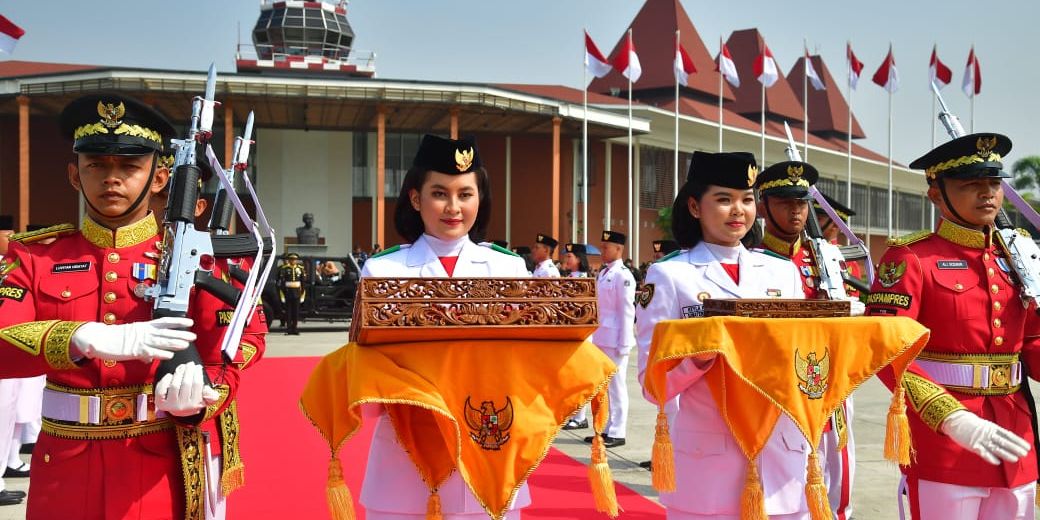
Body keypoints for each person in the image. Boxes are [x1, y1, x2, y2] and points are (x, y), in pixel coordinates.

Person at [0, 92, 266, 519]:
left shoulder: (195, 255)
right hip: (64, 462)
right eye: (96, 166)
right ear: (74, 175)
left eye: (129, 166)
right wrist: (82, 336)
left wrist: (202, 396)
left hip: (158, 457)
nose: (112, 179)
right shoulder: (34, 256)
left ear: (160, 178)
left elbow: (243, 339)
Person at [635, 151, 817, 518]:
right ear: (694, 206)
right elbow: (651, 381)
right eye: (723, 200)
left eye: (747, 200)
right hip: (709, 459)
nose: (738, 210)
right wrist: (698, 358)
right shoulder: (670, 276)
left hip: (780, 452)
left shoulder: (782, 273)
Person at [866, 133, 1039, 519]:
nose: (987, 194)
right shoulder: (911, 258)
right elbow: (885, 347)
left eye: (993, 183)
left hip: (1016, 434)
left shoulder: (1018, 258)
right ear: (937, 196)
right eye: (971, 185)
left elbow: (1032, 339)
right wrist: (949, 416)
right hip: (946, 437)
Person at [358, 134, 530, 519]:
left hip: (489, 445)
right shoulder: (384, 271)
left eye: (465, 194)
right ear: (416, 199)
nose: (453, 207)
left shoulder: (509, 268)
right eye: (440, 193)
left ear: (479, 199)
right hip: (406, 456)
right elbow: (367, 370)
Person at [577, 230, 635, 448]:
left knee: (618, 386)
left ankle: (618, 431)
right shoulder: (604, 273)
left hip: (616, 339)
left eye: (606, 247)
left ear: (618, 250)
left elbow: (626, 312)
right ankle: (605, 428)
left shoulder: (623, 275)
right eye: (602, 246)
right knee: (605, 386)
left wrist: (625, 343)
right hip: (602, 336)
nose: (602, 251)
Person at [278, 252, 306, 335]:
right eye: (291, 259)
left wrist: (302, 295)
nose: (293, 261)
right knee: (288, 312)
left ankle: (295, 328)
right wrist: (282, 295)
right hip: (288, 292)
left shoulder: (300, 269)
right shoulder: (284, 269)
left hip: (297, 292)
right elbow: (282, 283)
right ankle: (288, 329)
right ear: (289, 260)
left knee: (296, 312)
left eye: (294, 259)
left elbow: (303, 283)